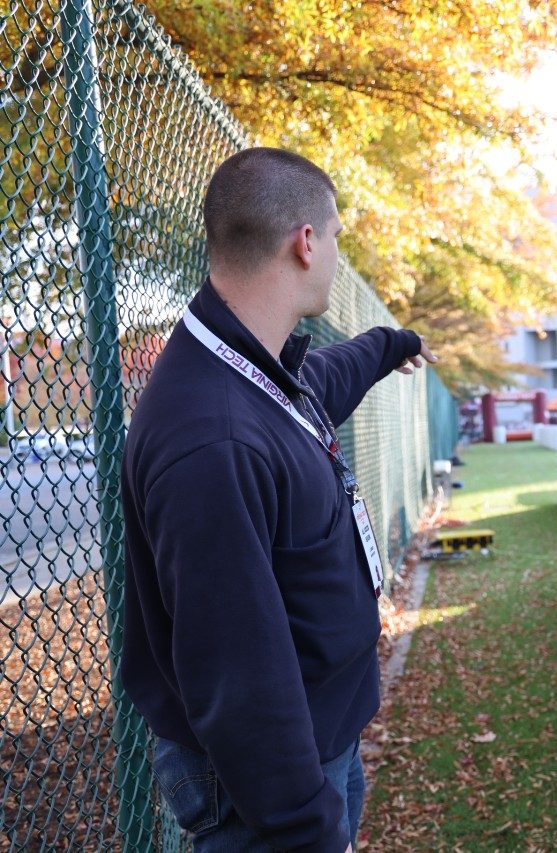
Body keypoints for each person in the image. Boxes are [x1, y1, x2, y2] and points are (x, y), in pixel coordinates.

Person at [120, 147, 436, 851]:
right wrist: (308, 829)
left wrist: (389, 345)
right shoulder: (213, 438)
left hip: (319, 747)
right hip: (265, 793)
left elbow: (325, 378)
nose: (334, 254)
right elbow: (238, 674)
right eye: (336, 237)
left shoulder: (251, 368)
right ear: (305, 242)